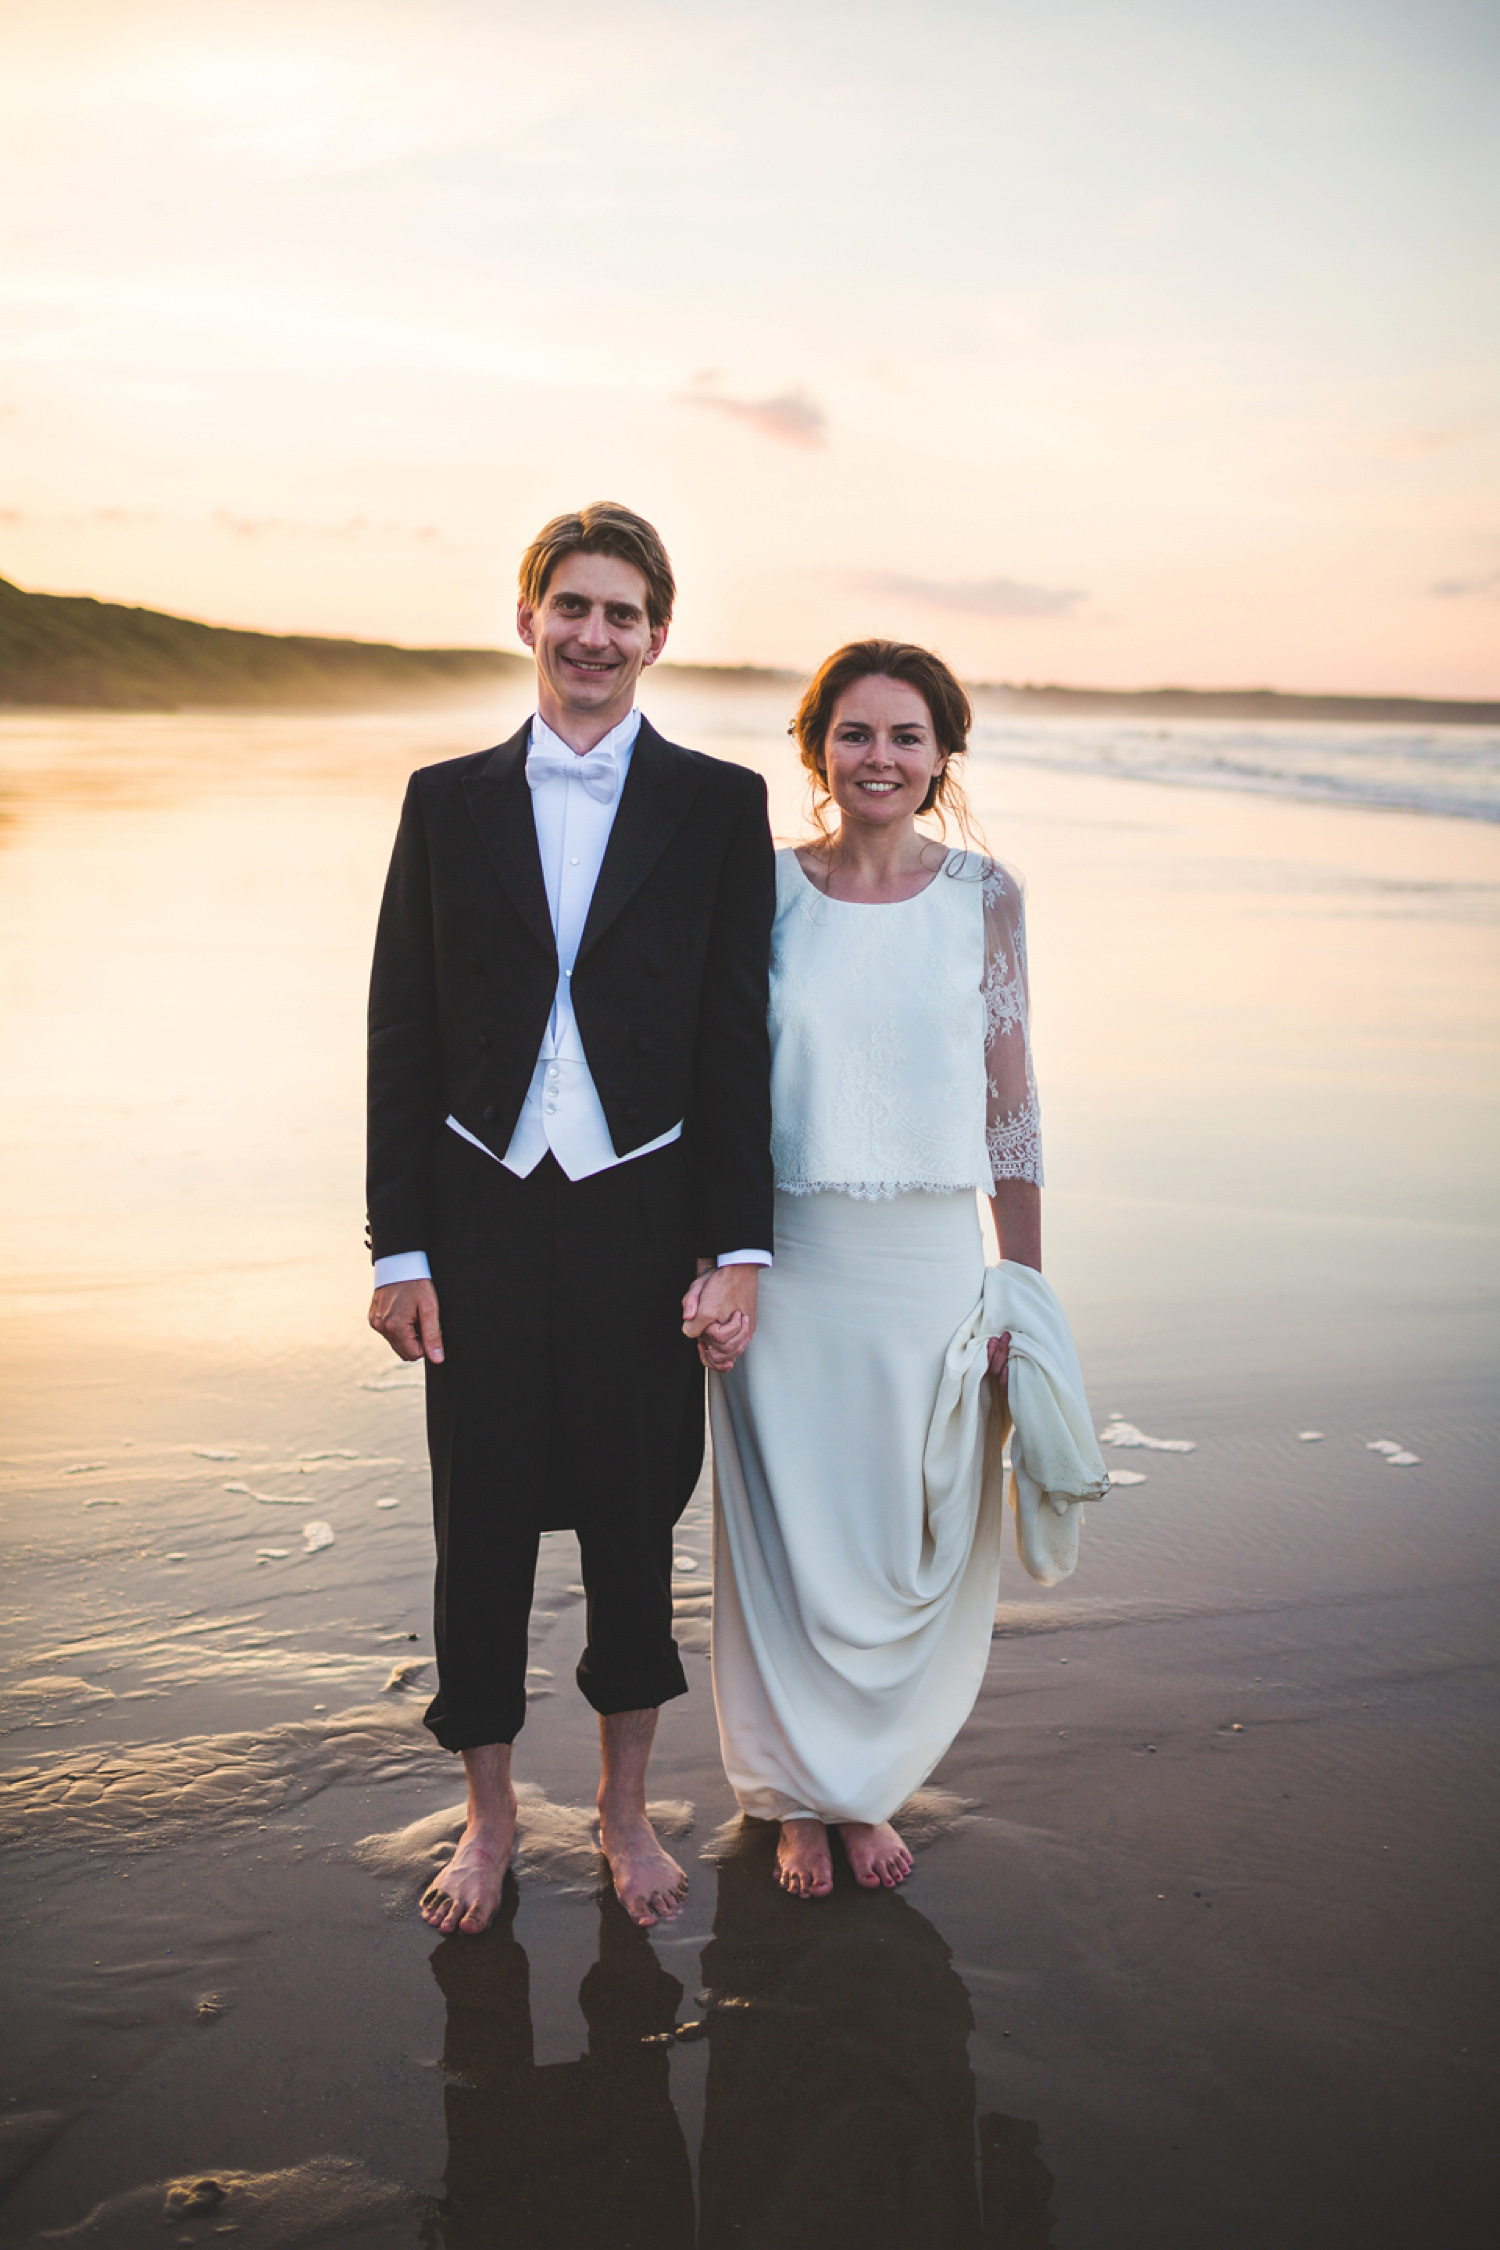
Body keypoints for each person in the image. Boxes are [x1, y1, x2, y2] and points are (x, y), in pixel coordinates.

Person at [366, 503, 774, 1935]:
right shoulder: (444, 797)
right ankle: (486, 1815)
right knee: (473, 1524)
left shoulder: (720, 805)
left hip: (642, 1207)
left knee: (628, 1519)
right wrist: (396, 1243)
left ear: (659, 634)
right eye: (573, 606)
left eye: (623, 613)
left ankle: (617, 1808)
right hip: (477, 1206)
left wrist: (738, 1245)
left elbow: (736, 1040)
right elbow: (400, 1031)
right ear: (528, 615)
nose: (595, 635)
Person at [707, 639, 1047, 1900]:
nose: (882, 759)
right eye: (857, 734)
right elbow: (718, 1083)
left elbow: (1011, 1105)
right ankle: (798, 1796)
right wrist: (714, 1256)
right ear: (817, 750)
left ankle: (870, 1785)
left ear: (943, 754)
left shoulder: (986, 893)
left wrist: (1023, 1283)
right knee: (789, 1533)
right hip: (784, 1255)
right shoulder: (764, 886)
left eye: (908, 737)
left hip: (925, 1255)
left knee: (915, 1532)